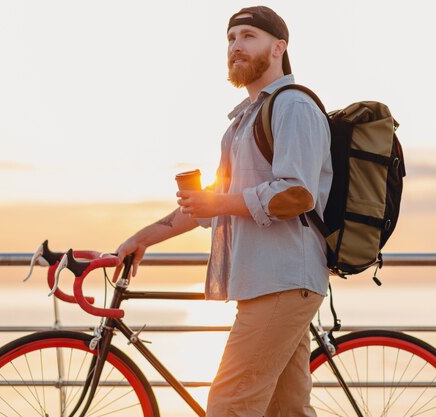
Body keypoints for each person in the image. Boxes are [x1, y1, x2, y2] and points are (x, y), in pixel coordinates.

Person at [114, 6, 332, 416]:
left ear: (278, 47)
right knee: (284, 411)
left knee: (229, 404)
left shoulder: (293, 107)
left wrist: (222, 201)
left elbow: (298, 194)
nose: (236, 46)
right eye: (231, 39)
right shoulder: (240, 124)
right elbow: (209, 208)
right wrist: (140, 239)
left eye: (248, 36)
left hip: (283, 279)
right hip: (264, 283)